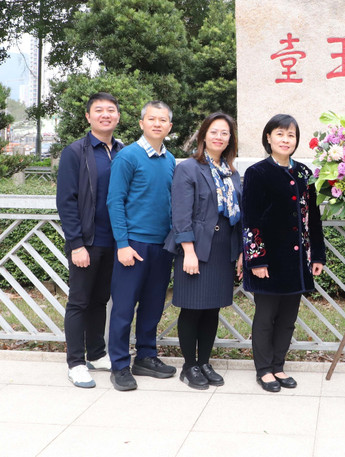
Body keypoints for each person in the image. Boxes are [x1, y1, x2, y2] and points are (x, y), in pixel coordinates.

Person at [242, 114, 325, 393]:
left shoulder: (303, 173)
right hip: (268, 260)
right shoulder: (257, 172)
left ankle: (279, 365)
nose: (285, 140)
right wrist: (257, 259)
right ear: (268, 137)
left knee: (288, 318)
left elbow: (312, 218)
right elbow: (250, 219)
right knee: (265, 316)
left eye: (291, 135)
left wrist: (317, 256)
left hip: (297, 262)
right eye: (280, 134)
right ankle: (263, 369)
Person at [165, 113, 242, 390]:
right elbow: (181, 214)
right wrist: (189, 251)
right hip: (196, 248)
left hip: (223, 250)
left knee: (212, 310)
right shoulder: (188, 168)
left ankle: (205, 362)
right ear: (203, 136)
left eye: (225, 133)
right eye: (214, 132)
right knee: (192, 308)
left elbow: (239, 215)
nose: (219, 137)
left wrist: (241, 253)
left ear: (230, 139)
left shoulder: (232, 172)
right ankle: (189, 366)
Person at [106, 101, 177, 391]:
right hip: (133, 244)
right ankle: (120, 364)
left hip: (162, 246)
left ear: (169, 127)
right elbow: (115, 201)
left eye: (163, 120)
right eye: (152, 119)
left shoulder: (171, 159)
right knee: (123, 307)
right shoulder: (128, 157)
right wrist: (122, 244)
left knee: (153, 306)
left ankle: (146, 356)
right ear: (141, 123)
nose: (157, 124)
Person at [57, 93, 124, 388]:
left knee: (100, 300)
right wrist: (76, 244)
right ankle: (75, 362)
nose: (105, 115)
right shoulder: (76, 152)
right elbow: (66, 201)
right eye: (99, 110)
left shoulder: (123, 151)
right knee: (80, 302)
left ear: (118, 117)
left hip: (115, 241)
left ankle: (97, 353)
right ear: (88, 117)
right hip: (87, 241)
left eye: (111, 110)